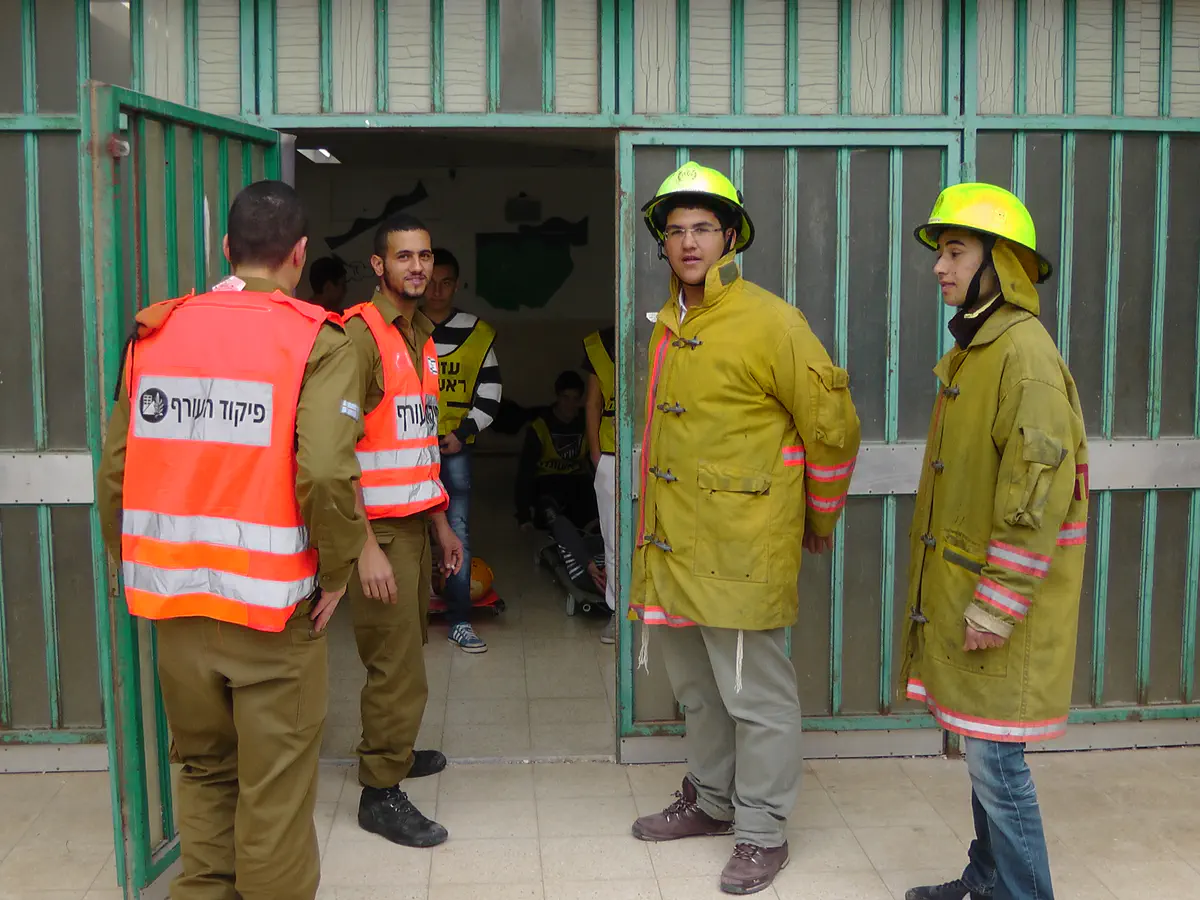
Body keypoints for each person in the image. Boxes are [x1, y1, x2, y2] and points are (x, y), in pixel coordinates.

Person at [96, 180, 365, 900]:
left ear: (225, 248)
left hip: (176, 607)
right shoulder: (316, 339)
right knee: (272, 787)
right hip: (273, 614)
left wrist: (131, 566)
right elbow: (326, 471)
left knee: (204, 770)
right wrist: (337, 570)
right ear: (300, 254)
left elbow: (117, 469)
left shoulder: (157, 330)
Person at [628, 162, 861, 896]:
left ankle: (762, 831)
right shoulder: (672, 322)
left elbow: (832, 425)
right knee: (697, 689)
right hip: (673, 543)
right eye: (676, 230)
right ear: (663, 244)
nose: (688, 242)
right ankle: (711, 800)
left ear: (731, 237)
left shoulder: (771, 321)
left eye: (703, 228)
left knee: (754, 696)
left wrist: (820, 514)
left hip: (740, 543)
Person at [901, 184, 1089, 900]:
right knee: (983, 749)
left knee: (997, 763)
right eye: (941, 252)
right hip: (972, 590)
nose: (939, 267)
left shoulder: (1023, 355)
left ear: (1000, 263)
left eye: (955, 251)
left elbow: (1033, 497)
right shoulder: (980, 348)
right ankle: (987, 880)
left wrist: (997, 602)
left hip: (1002, 602)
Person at [341, 213, 464, 848]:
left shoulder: (420, 339)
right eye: (403, 256)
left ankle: (394, 748)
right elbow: (332, 452)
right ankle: (379, 791)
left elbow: (417, 445)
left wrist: (442, 524)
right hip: (379, 534)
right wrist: (363, 547)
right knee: (395, 666)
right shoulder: (358, 337)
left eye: (425, 256)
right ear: (378, 265)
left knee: (409, 646)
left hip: (414, 523)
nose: (417, 267)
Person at [423, 247, 503, 653]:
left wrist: (463, 432)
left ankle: (459, 619)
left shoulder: (477, 332)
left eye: (446, 282)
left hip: (454, 448)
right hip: (405, 451)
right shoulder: (403, 327)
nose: (437, 290)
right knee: (407, 536)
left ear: (457, 285)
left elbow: (491, 393)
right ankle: (408, 617)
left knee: (456, 532)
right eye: (431, 282)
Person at [515, 370, 605, 598]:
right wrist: (523, 516)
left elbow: (595, 463)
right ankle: (584, 561)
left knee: (593, 513)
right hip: (547, 484)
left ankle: (597, 556)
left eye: (575, 399)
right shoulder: (540, 427)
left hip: (577, 482)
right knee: (553, 517)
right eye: (565, 398)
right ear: (557, 397)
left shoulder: (586, 422)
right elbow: (525, 472)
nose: (570, 405)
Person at [582, 324, 618, 643]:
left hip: (663, 453)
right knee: (613, 537)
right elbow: (593, 403)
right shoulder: (599, 343)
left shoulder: (667, 327)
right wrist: (595, 452)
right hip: (612, 452)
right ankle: (618, 613)